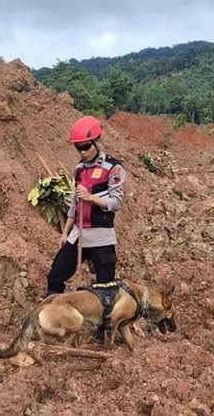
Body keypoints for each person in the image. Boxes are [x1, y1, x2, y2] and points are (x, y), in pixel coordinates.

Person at [46, 116, 127, 298]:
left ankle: (103, 316)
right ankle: (55, 310)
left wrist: (91, 198)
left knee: (105, 289)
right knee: (55, 276)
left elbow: (117, 202)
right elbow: (75, 204)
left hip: (102, 236)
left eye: (86, 146)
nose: (82, 152)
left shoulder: (113, 168)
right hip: (78, 234)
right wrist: (65, 233)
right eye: (78, 147)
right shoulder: (79, 169)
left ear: (97, 141)